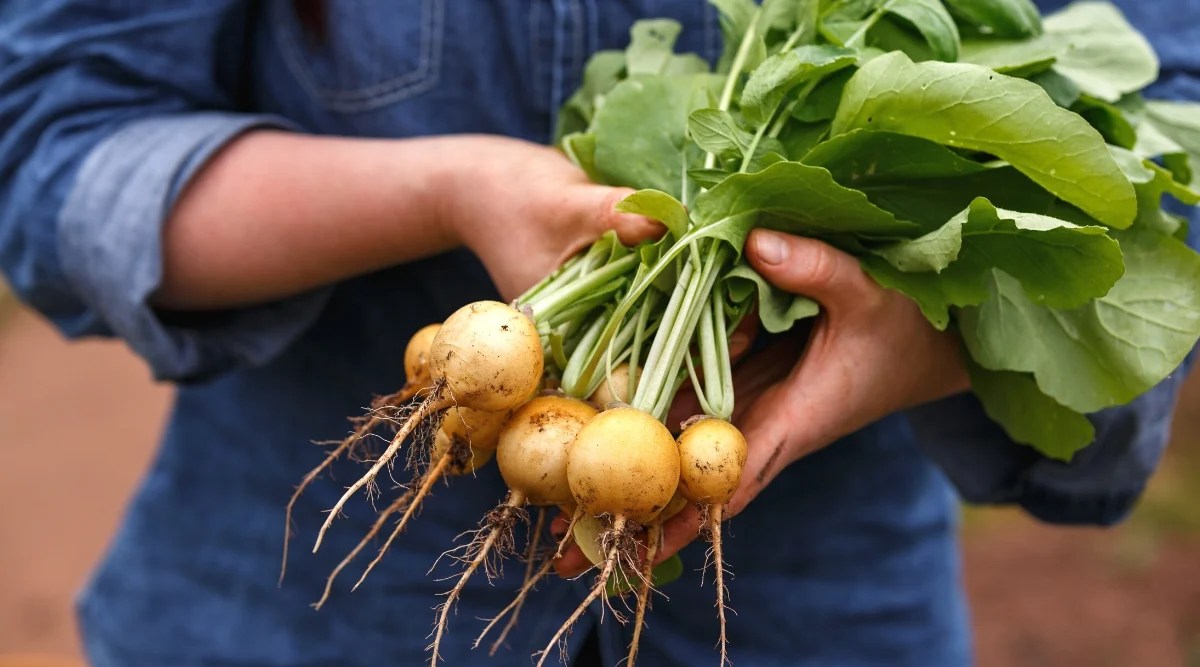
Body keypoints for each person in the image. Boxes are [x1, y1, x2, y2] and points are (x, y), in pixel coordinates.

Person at [0, 1, 1194, 665]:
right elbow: (55, 143)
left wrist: (919, 337)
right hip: (287, 598)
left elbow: (1167, 142)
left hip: (820, 612)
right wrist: (445, 187)